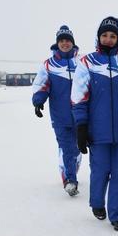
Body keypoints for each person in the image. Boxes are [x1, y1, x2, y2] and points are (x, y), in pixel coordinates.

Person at [71, 17, 118, 232]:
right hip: (98, 131)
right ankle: (97, 202)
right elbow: (79, 96)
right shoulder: (87, 62)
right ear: (99, 37)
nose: (108, 39)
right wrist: (81, 126)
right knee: (100, 171)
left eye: (113, 36)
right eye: (105, 35)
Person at [32, 25, 81, 196]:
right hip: (60, 116)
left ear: (72, 43)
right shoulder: (49, 65)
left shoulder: (81, 62)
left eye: (68, 40)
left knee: (76, 149)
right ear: (57, 43)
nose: (65, 43)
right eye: (62, 41)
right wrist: (38, 100)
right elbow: (42, 84)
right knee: (67, 147)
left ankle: (71, 170)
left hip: (80, 115)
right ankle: (70, 180)